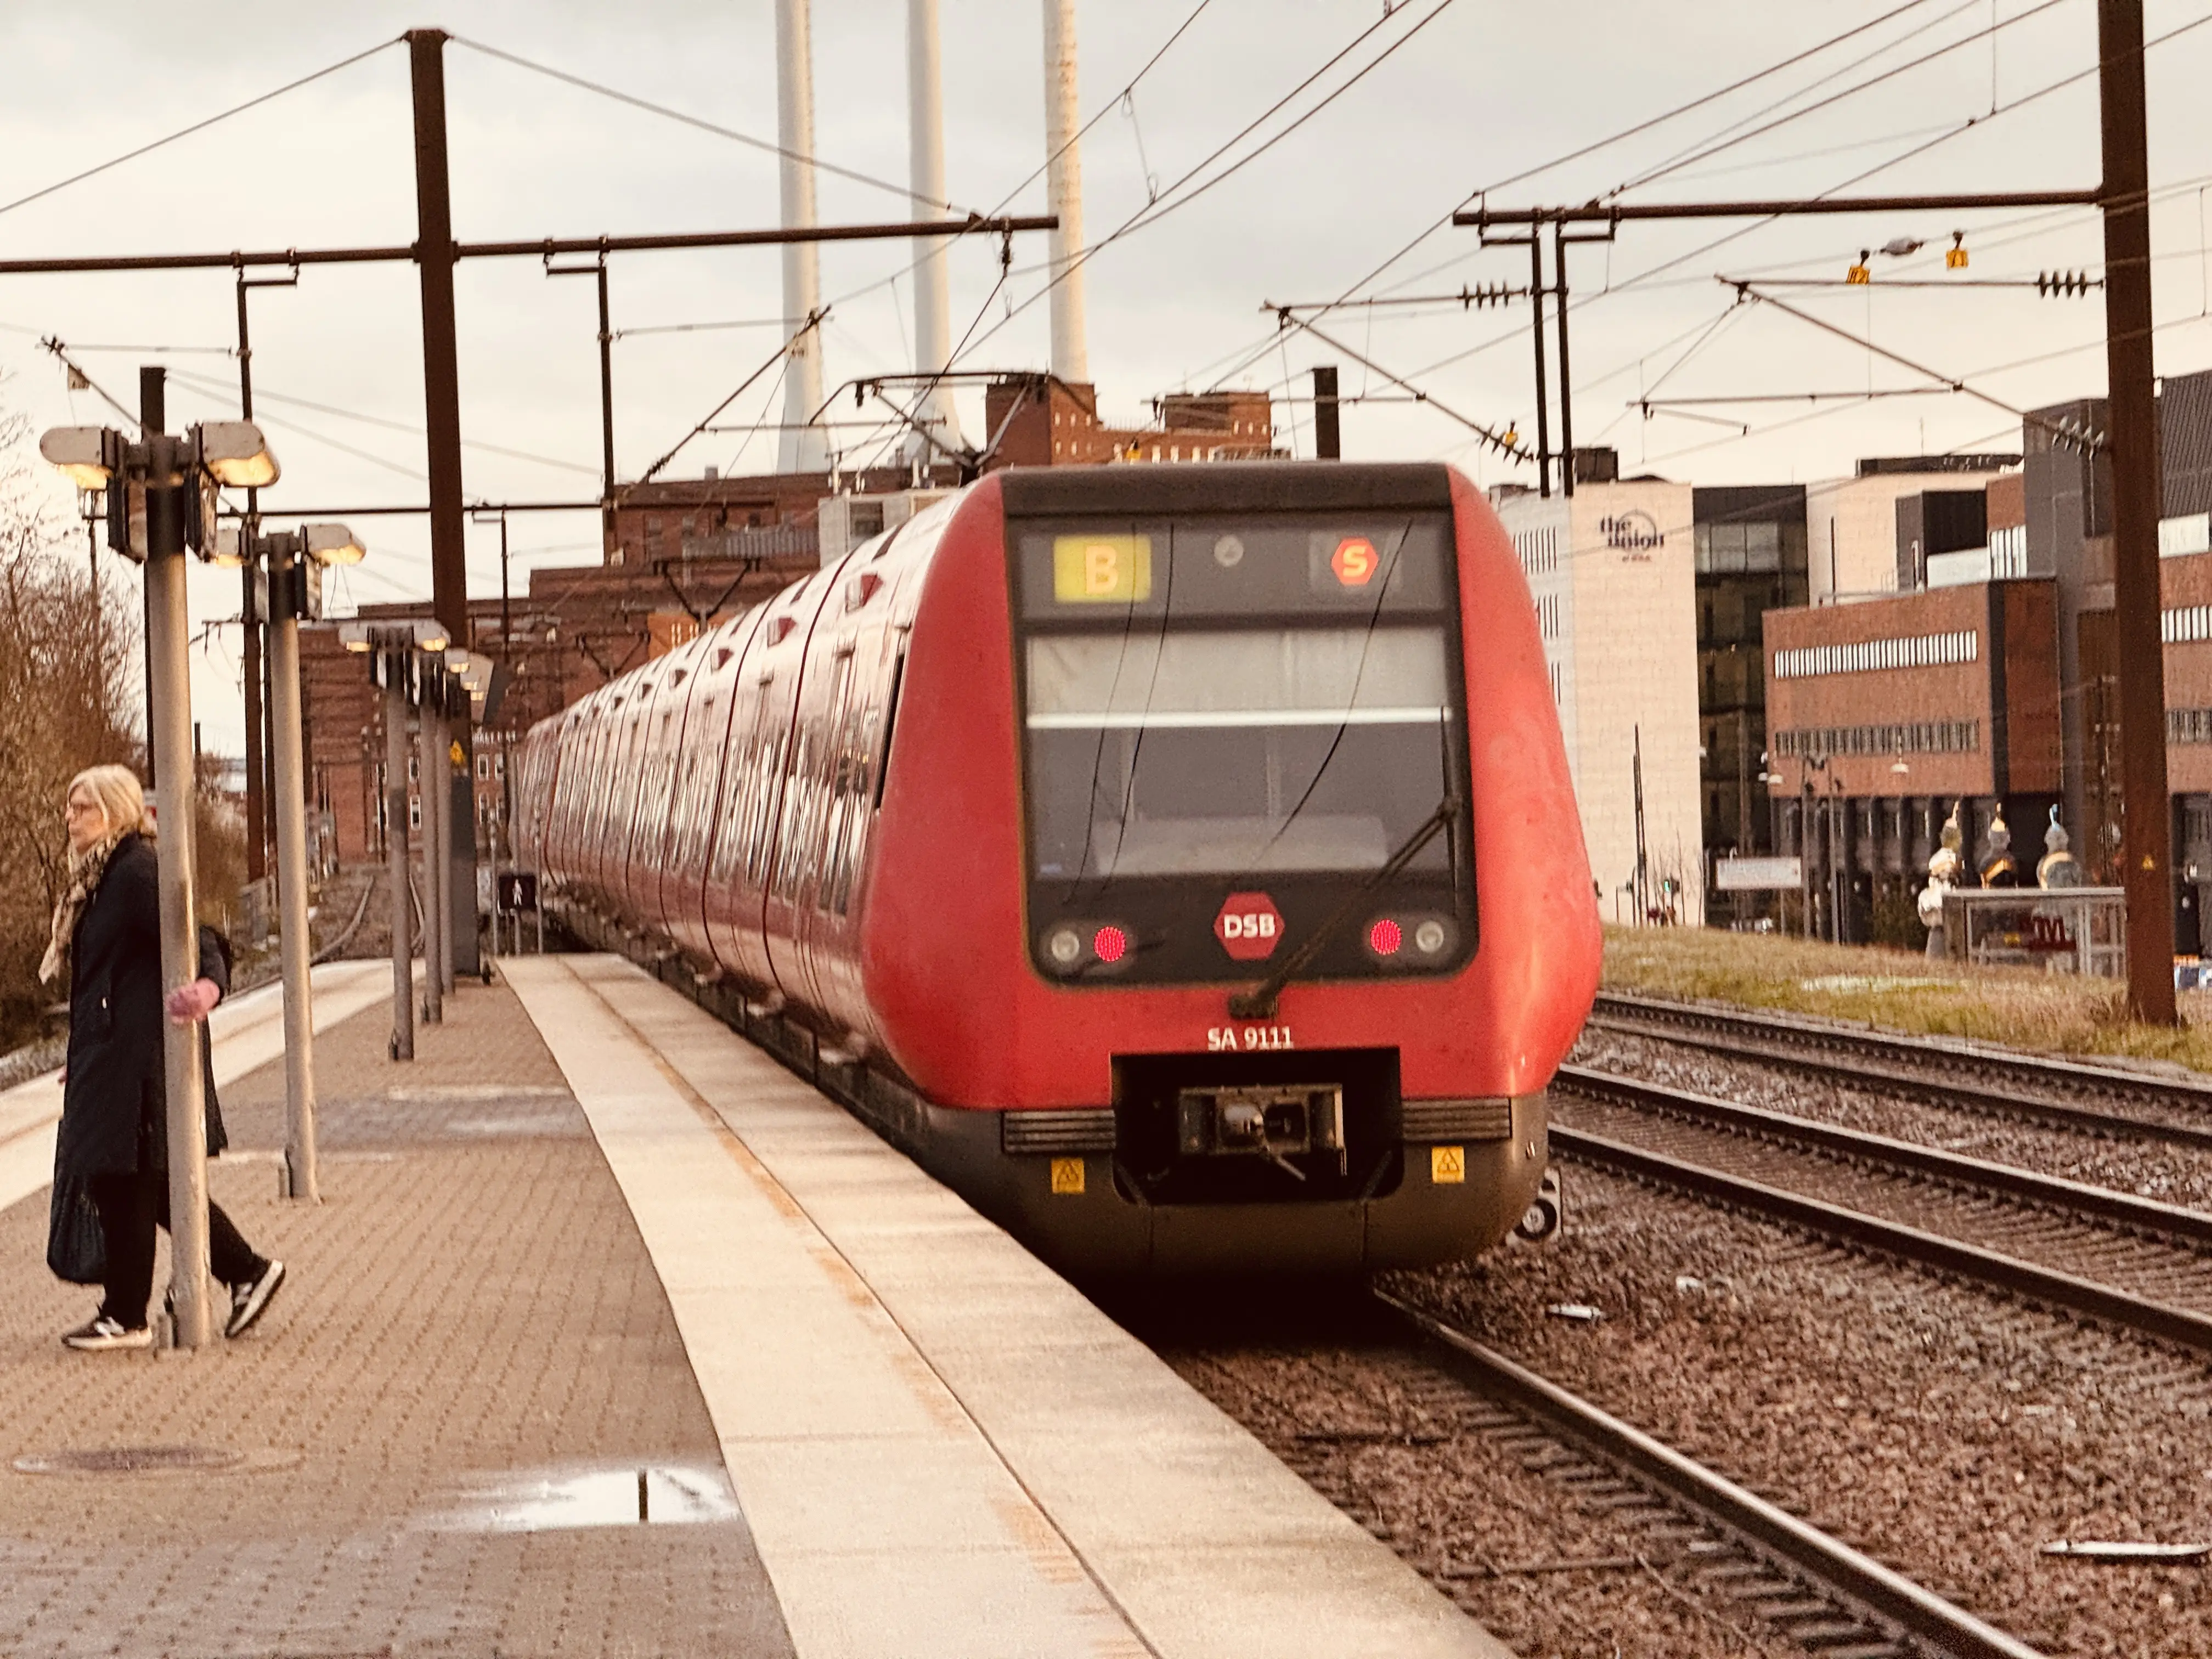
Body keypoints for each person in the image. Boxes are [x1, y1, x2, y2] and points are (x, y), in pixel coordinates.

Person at [43, 764, 285, 1352]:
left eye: (85, 808)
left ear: (118, 811)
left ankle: (130, 1314)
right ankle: (243, 1271)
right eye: (70, 808)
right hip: (114, 1052)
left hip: (140, 1059)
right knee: (144, 1182)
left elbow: (194, 933)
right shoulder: (101, 878)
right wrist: (86, 1050)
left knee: (127, 1180)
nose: (71, 818)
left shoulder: (134, 872)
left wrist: (209, 986)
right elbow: (109, 977)